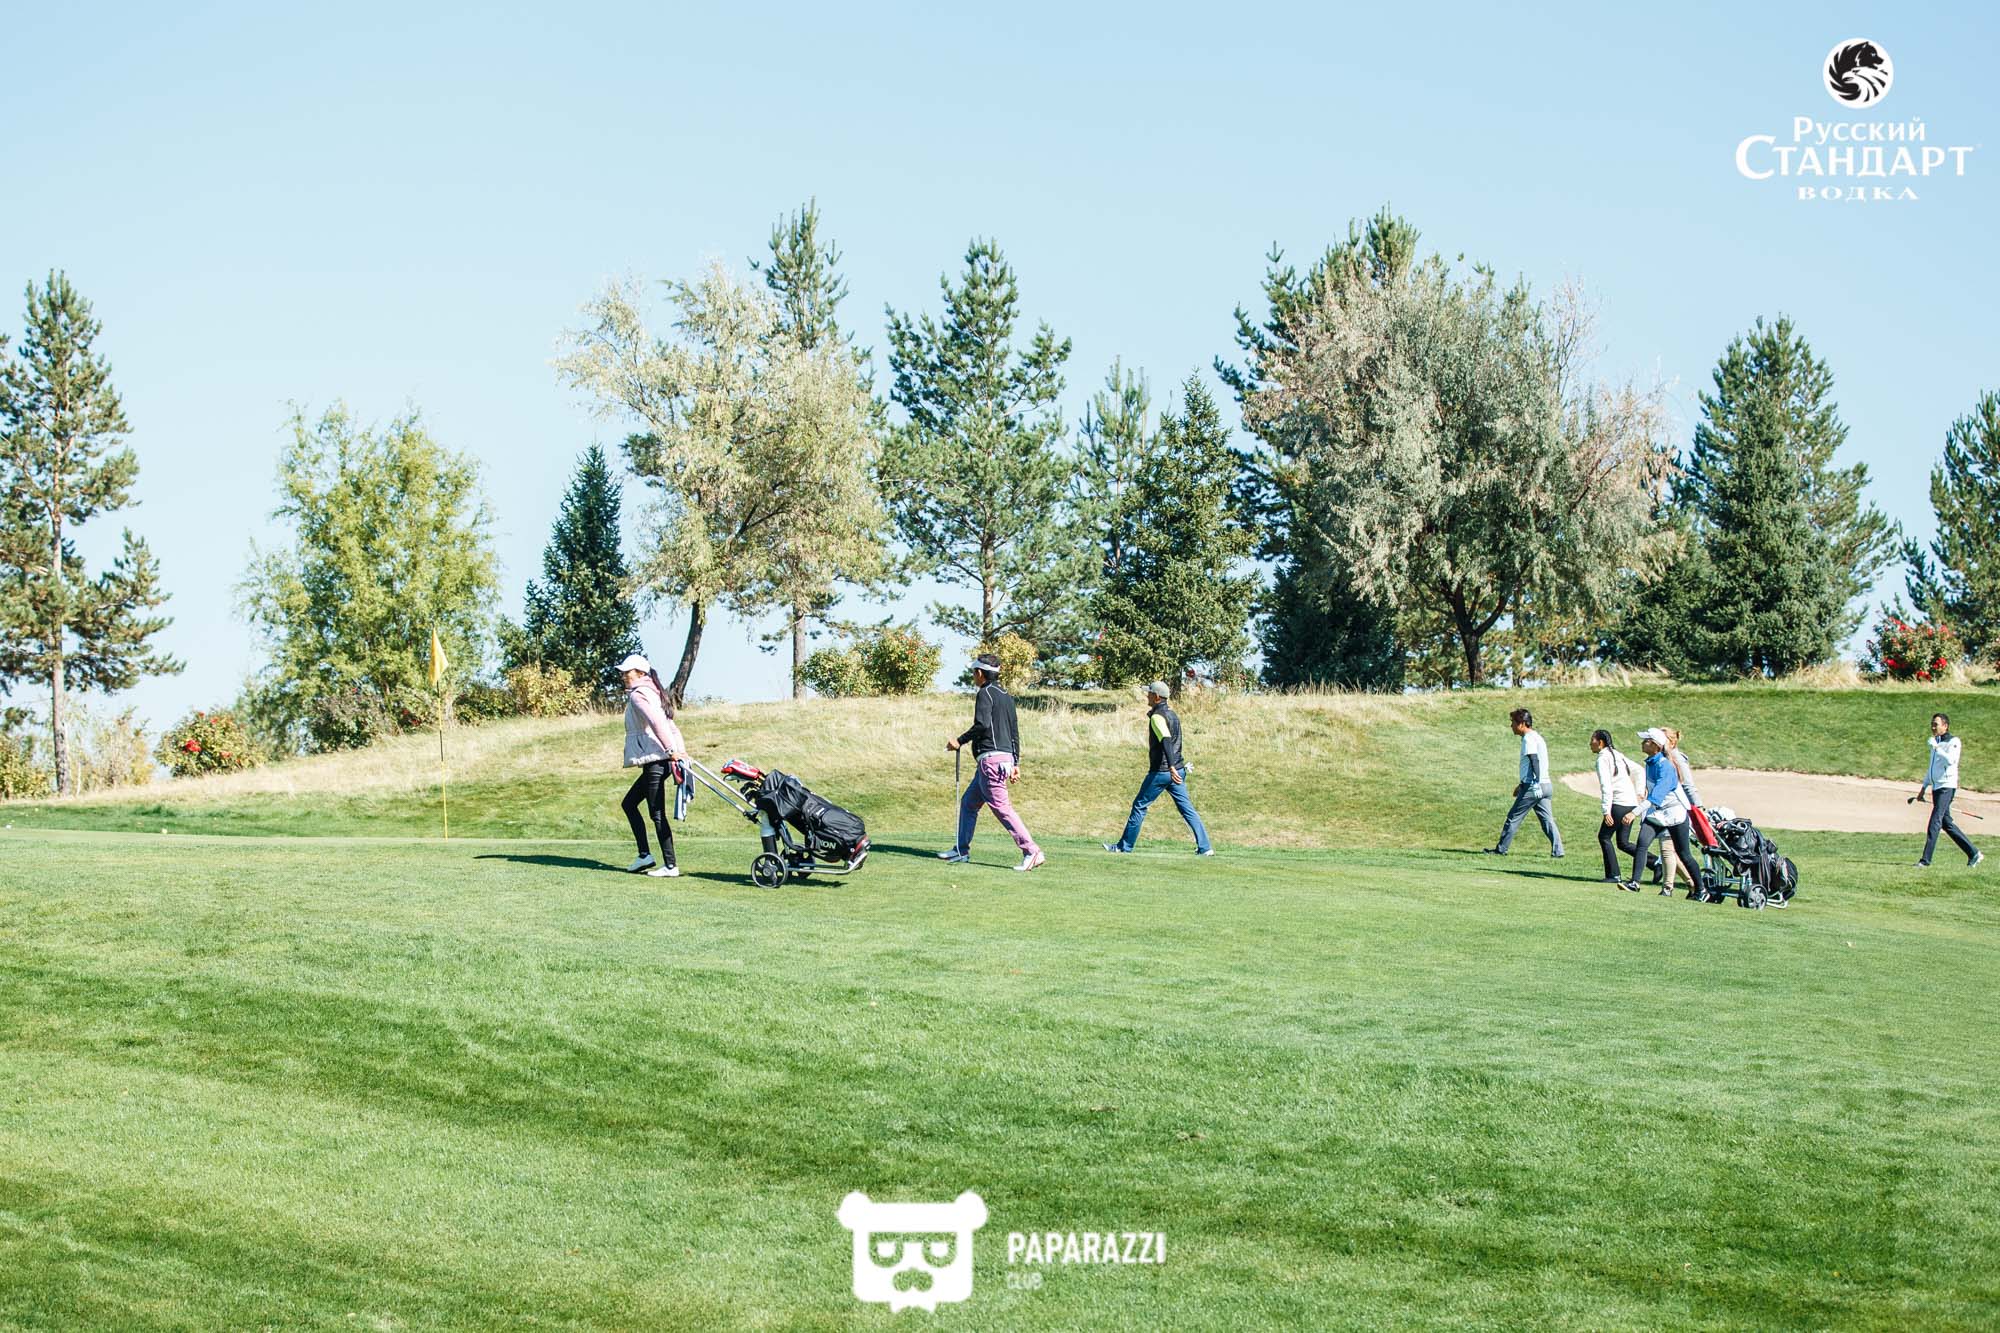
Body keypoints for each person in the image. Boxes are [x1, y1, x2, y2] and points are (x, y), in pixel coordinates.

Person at [940, 652, 1044, 872]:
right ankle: (961, 850)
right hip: (999, 761)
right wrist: (1015, 763)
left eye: (973, 673)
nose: (973, 676)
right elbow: (1014, 733)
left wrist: (959, 741)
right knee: (969, 803)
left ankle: (1032, 851)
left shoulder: (984, 693)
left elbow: (982, 725)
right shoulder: (1006, 696)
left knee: (1002, 809)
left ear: (980, 673)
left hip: (991, 761)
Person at [1104, 682, 1213, 856]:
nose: (1147, 696)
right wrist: (1175, 767)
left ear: (1156, 697)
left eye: (1149, 694)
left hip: (1162, 772)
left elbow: (1166, 741)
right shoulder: (1173, 715)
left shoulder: (1157, 716)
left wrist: (1171, 767)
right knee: (1187, 809)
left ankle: (1124, 847)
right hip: (1178, 770)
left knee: (1139, 806)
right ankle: (1206, 848)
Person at [617, 653, 687, 878]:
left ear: (640, 673)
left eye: (627, 672)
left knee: (656, 812)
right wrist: (678, 751)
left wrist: (673, 751)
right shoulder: (653, 692)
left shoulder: (640, 694)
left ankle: (670, 865)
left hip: (657, 759)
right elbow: (671, 725)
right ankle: (645, 855)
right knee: (629, 804)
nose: (623, 675)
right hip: (659, 759)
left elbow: (658, 723)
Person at [1622, 728, 1694, 895]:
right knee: (1646, 844)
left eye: (1646, 740)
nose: (1642, 743)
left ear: (1656, 745)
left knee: (1674, 852)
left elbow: (1686, 787)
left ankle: (1689, 886)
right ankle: (1635, 883)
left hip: (1673, 813)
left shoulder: (1668, 763)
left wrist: (1634, 812)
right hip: (1658, 812)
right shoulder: (1651, 762)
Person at [1484, 708, 1563, 858]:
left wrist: (1534, 782)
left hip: (1534, 786)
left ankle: (1501, 850)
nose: (1511, 726)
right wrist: (1522, 785)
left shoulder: (1528, 739)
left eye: (1513, 722)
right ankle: (1558, 851)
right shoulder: (1538, 737)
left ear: (1522, 723)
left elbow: (1534, 760)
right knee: (1547, 820)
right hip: (1546, 786)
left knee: (1513, 817)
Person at [1915, 711, 1983, 869]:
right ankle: (1974, 853)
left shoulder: (1953, 741)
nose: (1933, 727)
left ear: (1945, 726)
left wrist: (1936, 747)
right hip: (1937, 787)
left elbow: (1951, 761)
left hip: (1947, 787)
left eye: (1936, 724)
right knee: (1946, 823)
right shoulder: (1936, 742)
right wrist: (1923, 788)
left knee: (1935, 821)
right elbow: (1931, 768)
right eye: (1932, 724)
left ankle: (1925, 861)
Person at [1590, 729, 1650, 883]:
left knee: (1604, 837)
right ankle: (1655, 863)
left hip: (1619, 803)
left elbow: (1606, 786)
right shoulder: (1618, 754)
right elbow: (1639, 770)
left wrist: (1606, 811)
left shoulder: (1603, 759)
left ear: (1600, 742)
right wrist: (1639, 792)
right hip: (1630, 803)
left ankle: (1613, 875)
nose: (1590, 743)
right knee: (1623, 842)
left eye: (1593, 740)